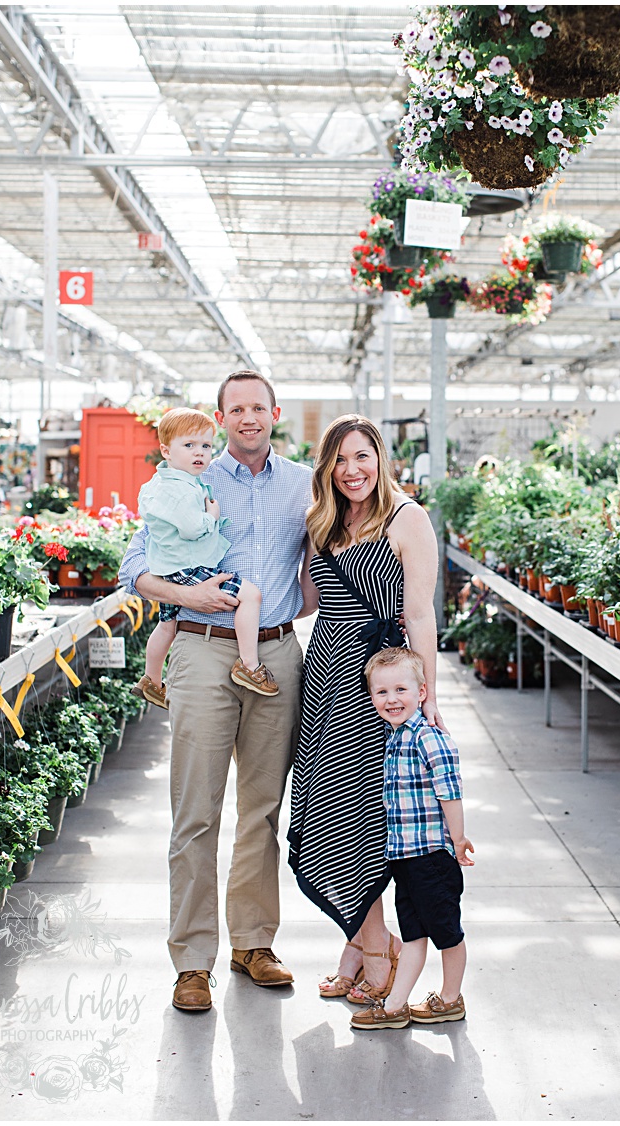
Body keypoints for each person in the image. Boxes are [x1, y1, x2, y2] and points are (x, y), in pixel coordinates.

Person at [118, 371, 313, 1012]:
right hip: (201, 647)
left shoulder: (303, 483)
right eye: (237, 408)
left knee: (262, 807)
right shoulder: (188, 477)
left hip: (278, 651)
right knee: (195, 809)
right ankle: (192, 961)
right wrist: (188, 596)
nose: (248, 417)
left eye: (259, 406)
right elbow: (134, 569)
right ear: (221, 416)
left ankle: (253, 943)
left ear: (274, 413)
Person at [288, 414, 446, 1008]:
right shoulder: (323, 522)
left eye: (363, 457)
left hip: (376, 689)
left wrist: (426, 696)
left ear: (380, 458)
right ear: (326, 467)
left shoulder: (408, 519)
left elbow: (423, 616)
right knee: (326, 814)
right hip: (325, 677)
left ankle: (376, 950)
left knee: (364, 822)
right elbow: (306, 601)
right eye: (340, 460)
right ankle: (361, 943)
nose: (352, 471)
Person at [347, 647, 473, 1031]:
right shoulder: (394, 736)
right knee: (414, 934)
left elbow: (450, 792)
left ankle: (451, 999)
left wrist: (459, 838)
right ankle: (395, 1006)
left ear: (422, 693)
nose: (391, 699)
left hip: (433, 857)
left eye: (401, 689)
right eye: (381, 692)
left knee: (447, 933)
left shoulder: (429, 739)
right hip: (405, 858)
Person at [132, 406, 277, 709]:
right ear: (165, 450)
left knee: (167, 624)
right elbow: (190, 528)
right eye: (189, 446)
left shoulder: (164, 482)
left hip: (169, 567)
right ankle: (249, 665)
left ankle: (152, 679)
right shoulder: (182, 490)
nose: (199, 453)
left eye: (206, 446)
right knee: (250, 595)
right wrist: (212, 517)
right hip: (188, 567)